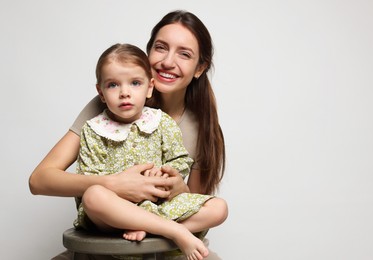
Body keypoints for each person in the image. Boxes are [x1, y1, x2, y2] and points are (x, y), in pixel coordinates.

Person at [29, 10, 228, 260]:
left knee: (217, 207)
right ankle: (163, 230)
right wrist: (113, 183)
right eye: (161, 47)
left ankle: (156, 230)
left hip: (159, 226)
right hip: (108, 223)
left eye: (184, 54)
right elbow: (39, 180)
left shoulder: (200, 126)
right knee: (95, 196)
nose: (168, 61)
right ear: (148, 53)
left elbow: (194, 202)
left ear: (199, 68)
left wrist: (179, 188)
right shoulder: (108, 108)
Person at [73, 42, 225, 260]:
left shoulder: (161, 122)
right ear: (101, 93)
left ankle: (150, 228)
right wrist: (118, 185)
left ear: (149, 87)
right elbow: (89, 175)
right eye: (113, 85)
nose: (125, 93)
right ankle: (174, 230)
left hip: (157, 205)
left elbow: (180, 160)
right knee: (93, 195)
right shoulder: (94, 129)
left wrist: (166, 173)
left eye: (135, 83)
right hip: (113, 215)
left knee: (219, 208)